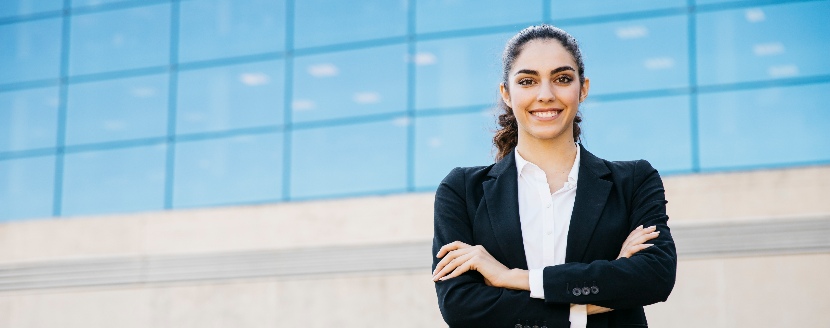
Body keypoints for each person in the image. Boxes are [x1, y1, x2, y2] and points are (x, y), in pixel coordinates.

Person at [431, 24, 677, 328]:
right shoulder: (463, 190)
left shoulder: (634, 181)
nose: (545, 95)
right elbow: (462, 307)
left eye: (562, 79)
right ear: (506, 93)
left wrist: (513, 279)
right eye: (527, 81)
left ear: (583, 88)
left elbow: (655, 277)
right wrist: (593, 300)